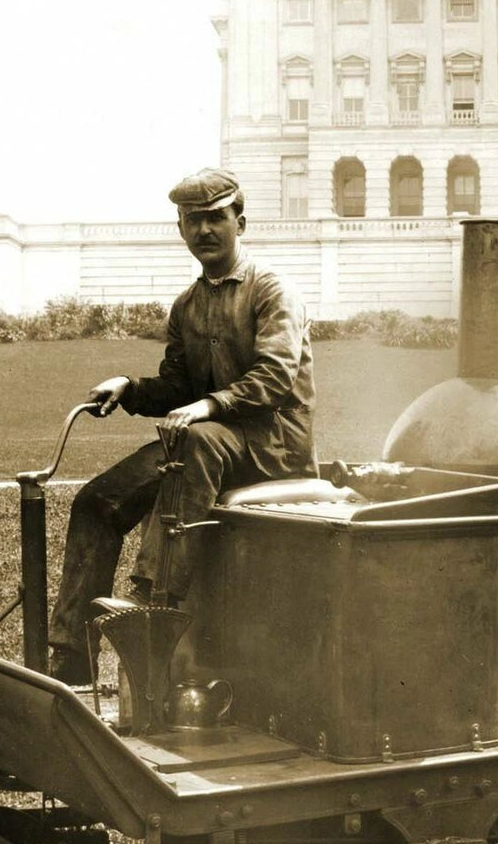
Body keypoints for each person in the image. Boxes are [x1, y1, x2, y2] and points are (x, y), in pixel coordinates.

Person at [47, 167, 316, 685]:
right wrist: (129, 386)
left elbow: (276, 378)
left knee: (190, 439)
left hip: (273, 447)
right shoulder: (187, 306)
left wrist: (210, 405)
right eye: (193, 221)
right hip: (205, 448)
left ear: (242, 222)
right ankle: (71, 659)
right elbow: (176, 386)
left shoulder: (272, 291)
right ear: (181, 229)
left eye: (216, 218)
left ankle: (152, 600)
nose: (204, 231)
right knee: (96, 502)